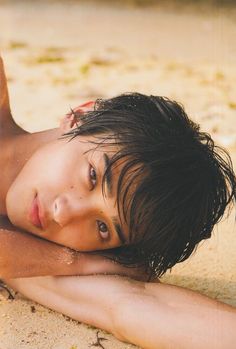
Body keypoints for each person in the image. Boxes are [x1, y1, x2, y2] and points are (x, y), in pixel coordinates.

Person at [1, 55, 236, 348]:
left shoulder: (33, 260)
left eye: (102, 228)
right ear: (82, 116)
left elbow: (134, 305)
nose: (64, 214)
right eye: (92, 175)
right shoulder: (53, 259)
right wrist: (77, 262)